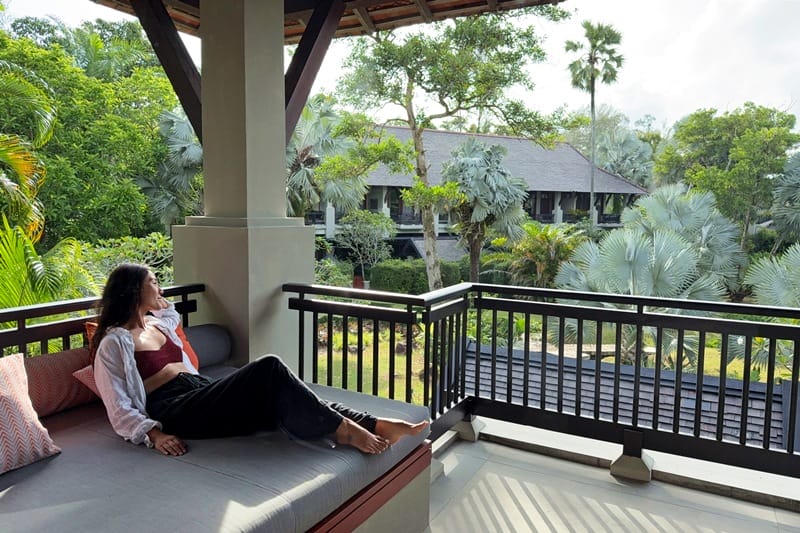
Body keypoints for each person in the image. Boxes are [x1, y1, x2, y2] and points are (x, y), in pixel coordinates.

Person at [91, 263, 428, 456]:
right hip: (173, 408)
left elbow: (171, 315)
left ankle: (371, 423)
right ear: (134, 291)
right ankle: (347, 432)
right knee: (268, 368)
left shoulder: (156, 323)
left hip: (198, 391)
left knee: (281, 391)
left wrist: (158, 307)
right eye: (154, 282)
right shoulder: (113, 343)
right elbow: (117, 405)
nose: (161, 288)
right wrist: (155, 435)